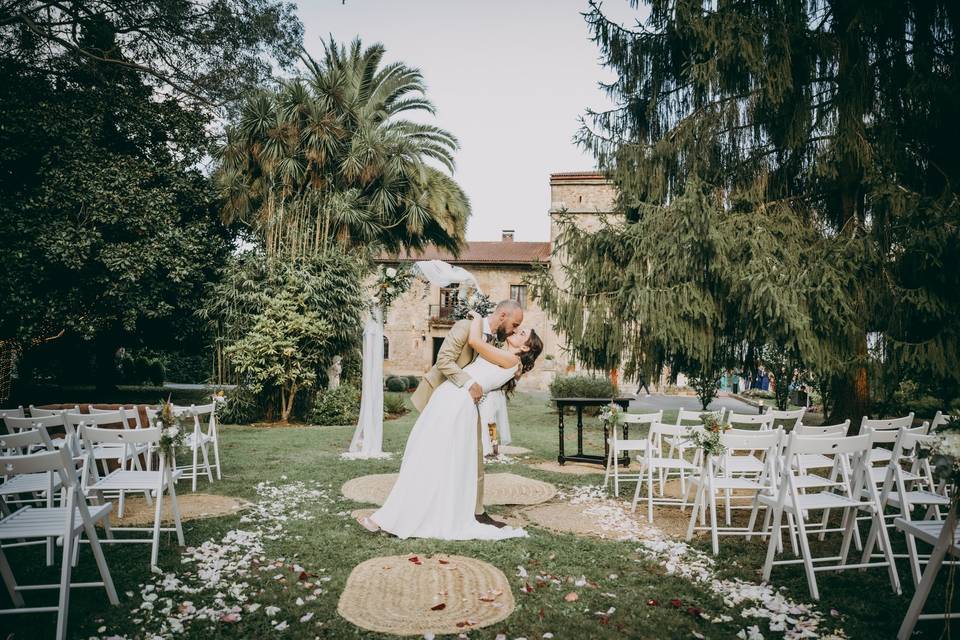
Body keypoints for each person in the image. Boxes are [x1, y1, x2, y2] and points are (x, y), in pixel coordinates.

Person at [357, 312, 543, 540]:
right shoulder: (503, 355)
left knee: (427, 458)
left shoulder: (512, 361)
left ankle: (391, 517)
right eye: (517, 328)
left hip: (457, 403)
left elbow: (475, 342)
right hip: (449, 397)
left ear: (525, 348)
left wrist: (477, 316)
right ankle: (401, 513)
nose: (515, 331)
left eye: (521, 333)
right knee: (424, 455)